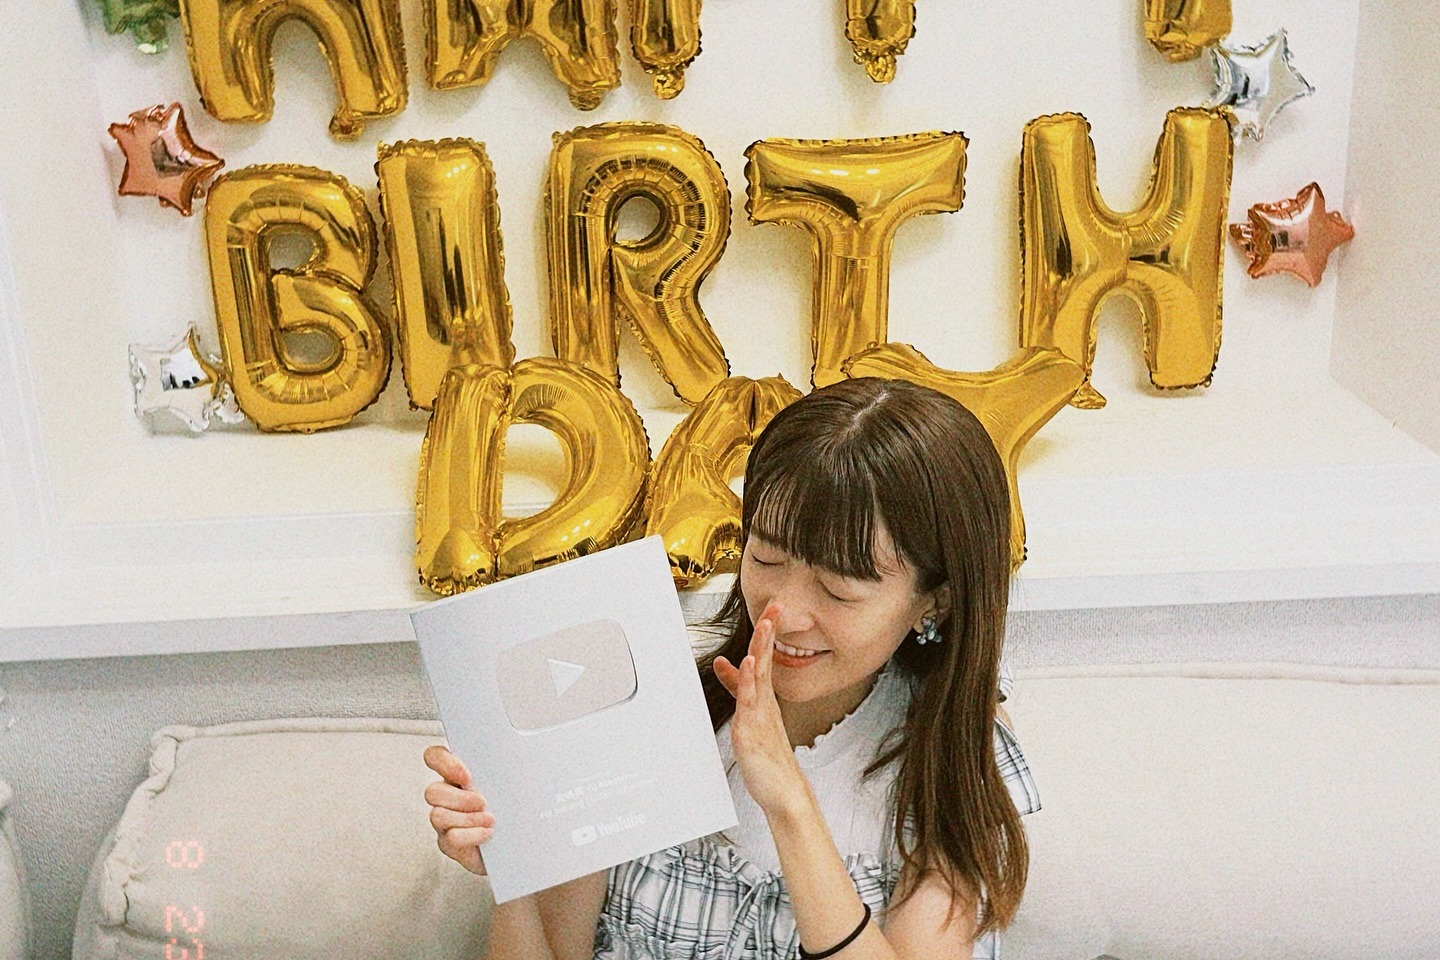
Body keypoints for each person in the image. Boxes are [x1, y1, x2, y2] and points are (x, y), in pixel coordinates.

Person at [423, 376, 1040, 960]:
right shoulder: (649, 701)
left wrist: (789, 803)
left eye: (838, 589)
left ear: (935, 600)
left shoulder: (955, 753)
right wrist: (514, 861)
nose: (782, 613)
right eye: (766, 557)